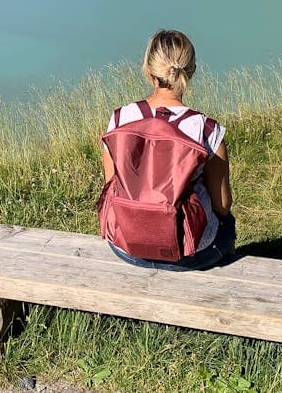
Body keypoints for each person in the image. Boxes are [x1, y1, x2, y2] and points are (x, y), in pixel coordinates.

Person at [100, 29, 235, 271]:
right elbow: (222, 205)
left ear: (149, 72)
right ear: (191, 71)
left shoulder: (120, 119)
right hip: (189, 252)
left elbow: (111, 183)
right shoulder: (206, 130)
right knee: (227, 222)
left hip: (126, 246)